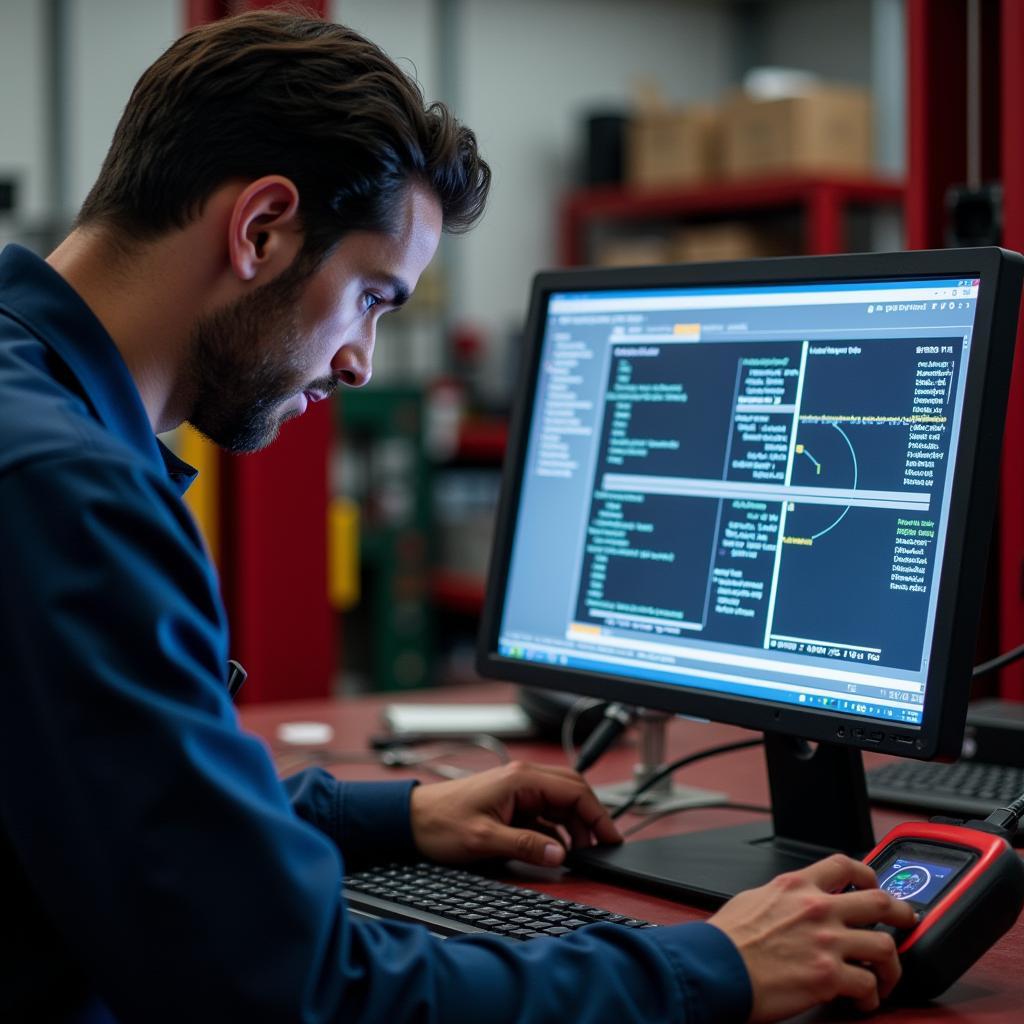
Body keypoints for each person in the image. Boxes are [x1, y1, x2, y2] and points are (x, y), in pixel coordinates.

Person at [0, 10, 915, 1023]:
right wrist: (713, 967)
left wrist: (398, 812)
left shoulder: (31, 416)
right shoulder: (68, 492)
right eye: (372, 299)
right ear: (260, 228)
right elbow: (295, 993)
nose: (360, 362)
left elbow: (115, 800)